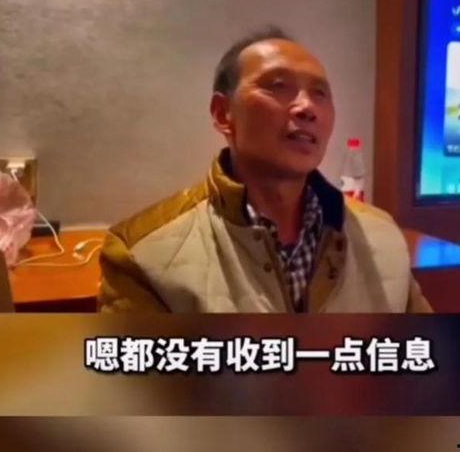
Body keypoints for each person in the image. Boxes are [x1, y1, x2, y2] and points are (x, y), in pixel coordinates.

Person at [98, 26, 432, 313]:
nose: (307, 107)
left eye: (319, 93)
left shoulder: (383, 236)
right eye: (277, 86)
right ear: (223, 113)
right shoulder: (142, 254)